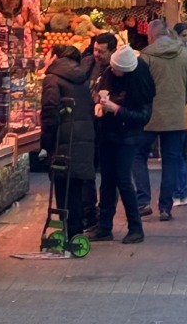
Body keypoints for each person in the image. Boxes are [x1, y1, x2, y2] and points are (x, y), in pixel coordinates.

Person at [87, 45, 155, 244]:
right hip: (107, 133)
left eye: (117, 69)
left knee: (123, 180)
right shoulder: (110, 72)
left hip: (128, 137)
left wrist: (116, 109)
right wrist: (100, 105)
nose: (113, 71)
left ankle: (136, 227)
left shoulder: (140, 83)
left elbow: (143, 117)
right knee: (107, 180)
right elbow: (102, 91)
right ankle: (104, 227)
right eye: (112, 68)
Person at [133, 19, 187, 221]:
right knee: (171, 159)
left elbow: (140, 87)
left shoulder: (145, 56)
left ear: (151, 36)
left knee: (138, 154)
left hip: (149, 117)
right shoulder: (185, 54)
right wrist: (180, 101)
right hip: (175, 117)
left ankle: (143, 200)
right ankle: (165, 207)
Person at [40, 44, 96, 241]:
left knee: (63, 187)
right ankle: (76, 231)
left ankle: (67, 231)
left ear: (56, 57)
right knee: (76, 187)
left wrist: (45, 143)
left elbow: (49, 111)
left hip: (62, 139)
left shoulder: (52, 79)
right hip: (84, 138)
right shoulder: (82, 79)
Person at [79, 31, 118, 231]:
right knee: (87, 171)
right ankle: (89, 213)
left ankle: (105, 218)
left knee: (109, 176)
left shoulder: (118, 69)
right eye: (95, 49)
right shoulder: (86, 64)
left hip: (109, 128)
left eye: (101, 51)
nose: (97, 54)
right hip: (88, 125)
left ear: (112, 51)